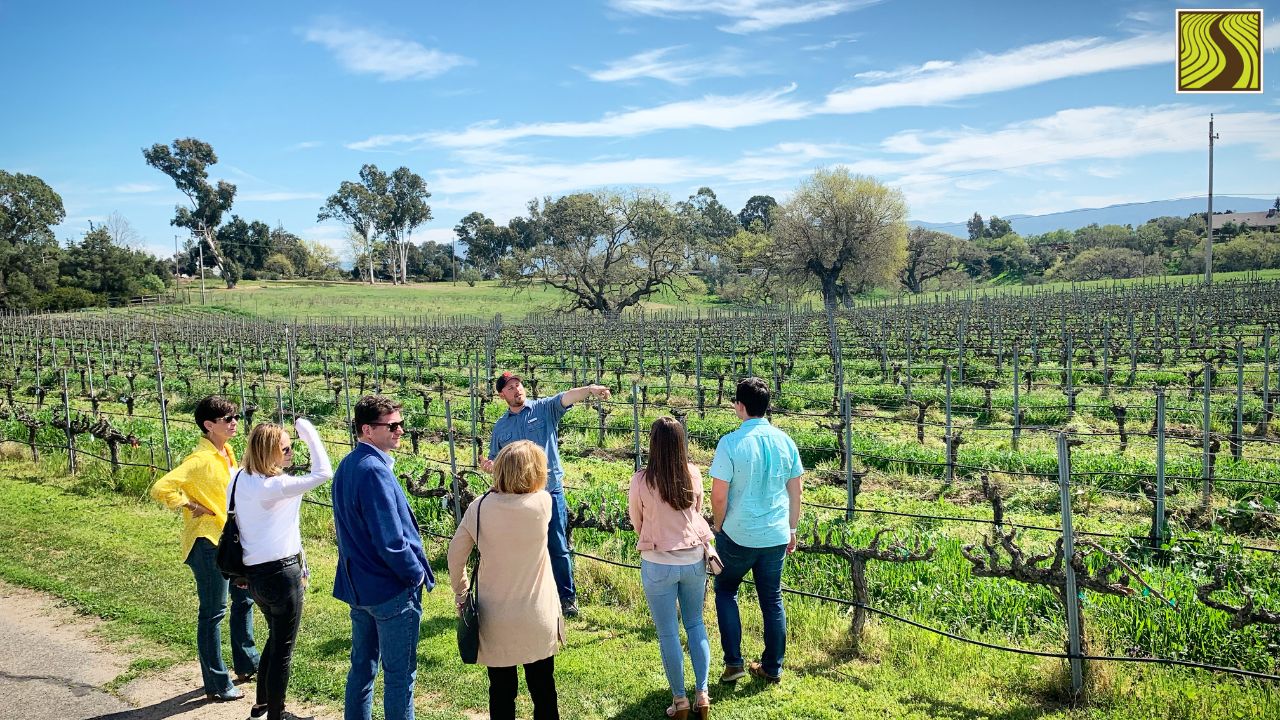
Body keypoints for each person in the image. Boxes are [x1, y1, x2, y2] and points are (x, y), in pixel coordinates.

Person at [149, 395, 260, 702]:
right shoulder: (199, 460)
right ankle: (217, 682)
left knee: (244, 600)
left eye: (235, 416)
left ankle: (248, 662)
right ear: (209, 425)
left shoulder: (227, 451)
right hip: (207, 544)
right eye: (228, 419)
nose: (235, 422)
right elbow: (161, 487)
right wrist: (189, 504)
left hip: (231, 540)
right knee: (214, 612)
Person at [332, 395, 435, 720]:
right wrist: (415, 574)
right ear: (367, 429)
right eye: (392, 425)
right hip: (389, 590)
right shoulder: (374, 471)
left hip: (359, 586)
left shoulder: (349, 464)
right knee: (399, 677)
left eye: (401, 423)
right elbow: (391, 542)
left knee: (362, 668)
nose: (400, 430)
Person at [480, 371, 611, 617]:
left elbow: (566, 397)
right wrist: (489, 465)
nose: (517, 389)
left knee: (557, 546)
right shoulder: (501, 427)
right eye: (510, 388)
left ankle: (567, 598)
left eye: (518, 385)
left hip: (549, 491)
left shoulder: (544, 409)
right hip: (517, 498)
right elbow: (495, 460)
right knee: (523, 548)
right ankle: (530, 596)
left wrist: (590, 389)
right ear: (502, 395)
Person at [449, 440, 562, 720]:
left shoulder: (479, 508)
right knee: (544, 689)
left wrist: (462, 594)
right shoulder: (542, 503)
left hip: (495, 615)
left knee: (501, 691)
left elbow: (455, 555)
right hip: (537, 615)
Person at [233, 418, 333, 720]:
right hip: (282, 573)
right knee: (283, 649)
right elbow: (324, 472)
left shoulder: (238, 478)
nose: (291, 454)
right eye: (286, 449)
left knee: (275, 639)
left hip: (253, 573)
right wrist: (311, 434)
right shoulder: (276, 485)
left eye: (293, 446)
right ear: (268, 452)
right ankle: (277, 715)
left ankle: (261, 706)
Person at [709, 377, 803, 685]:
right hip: (775, 533)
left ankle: (734, 663)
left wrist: (718, 525)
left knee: (725, 590)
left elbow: (719, 495)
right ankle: (772, 667)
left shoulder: (731, 442)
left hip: (738, 533)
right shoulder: (785, 441)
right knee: (772, 599)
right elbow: (796, 491)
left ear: (740, 406)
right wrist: (791, 528)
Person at [628, 418, 714, 720]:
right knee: (695, 624)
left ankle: (679, 700)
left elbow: (637, 523)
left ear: (652, 443)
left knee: (667, 633)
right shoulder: (692, 473)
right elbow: (698, 511)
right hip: (693, 560)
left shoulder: (641, 480)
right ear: (682, 442)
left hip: (658, 562)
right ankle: (702, 694)